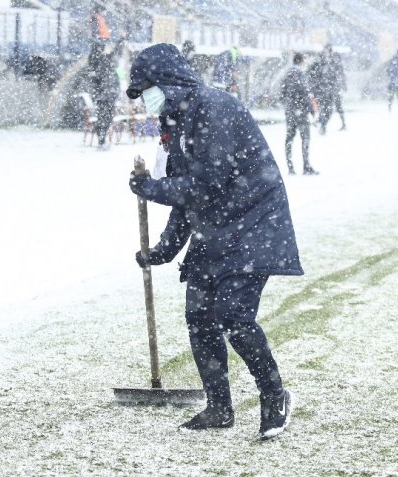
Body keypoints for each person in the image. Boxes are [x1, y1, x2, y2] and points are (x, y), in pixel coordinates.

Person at [125, 44, 301, 440]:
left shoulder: (212, 108)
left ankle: (275, 396)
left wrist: (151, 188)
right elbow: (189, 200)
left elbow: (206, 185)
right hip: (217, 230)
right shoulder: (177, 122)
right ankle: (219, 407)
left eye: (148, 88)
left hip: (255, 224)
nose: (147, 99)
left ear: (167, 81)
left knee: (234, 316)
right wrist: (164, 250)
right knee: (200, 315)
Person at [281, 53, 319, 175]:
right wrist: (311, 109)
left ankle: (290, 167)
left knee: (289, 138)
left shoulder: (287, 74)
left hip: (290, 111)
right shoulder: (299, 74)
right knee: (305, 138)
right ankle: (306, 166)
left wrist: (287, 106)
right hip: (300, 111)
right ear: (301, 61)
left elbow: (282, 92)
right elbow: (304, 93)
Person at [88, 38, 124, 150]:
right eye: (101, 48)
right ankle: (101, 141)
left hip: (110, 94)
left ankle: (102, 141)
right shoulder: (96, 60)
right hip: (103, 95)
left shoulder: (106, 60)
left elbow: (115, 51)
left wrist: (121, 39)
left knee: (108, 118)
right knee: (102, 118)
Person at [307, 44, 346, 134]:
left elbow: (337, 75)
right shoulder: (318, 64)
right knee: (325, 109)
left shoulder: (332, 62)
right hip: (323, 91)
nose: (326, 55)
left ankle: (322, 124)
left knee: (329, 109)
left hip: (330, 90)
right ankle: (321, 124)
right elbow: (311, 77)